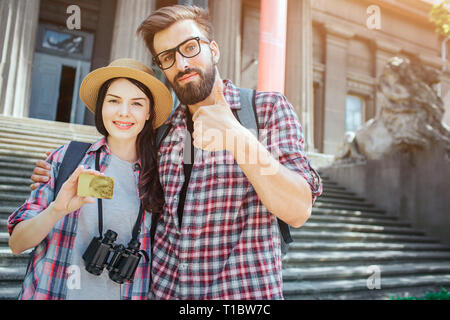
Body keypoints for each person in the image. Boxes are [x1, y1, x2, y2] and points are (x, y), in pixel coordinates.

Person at [30, 5, 322, 300]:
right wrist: (58, 174)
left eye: (190, 47)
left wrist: (238, 138)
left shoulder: (266, 110)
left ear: (214, 50)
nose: (182, 63)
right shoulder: (163, 133)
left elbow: (298, 210)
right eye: (168, 57)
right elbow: (122, 183)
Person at [9, 58, 173, 300]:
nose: (124, 112)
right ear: (101, 106)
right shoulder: (68, 159)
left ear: (149, 112)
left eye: (137, 103)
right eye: (114, 100)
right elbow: (17, 244)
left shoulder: (160, 177)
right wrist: (56, 210)